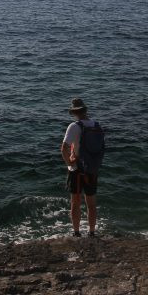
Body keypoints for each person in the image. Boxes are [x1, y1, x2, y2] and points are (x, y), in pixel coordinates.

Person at [60, 97, 104, 238]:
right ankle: (92, 232)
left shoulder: (74, 126)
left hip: (77, 170)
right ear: (85, 110)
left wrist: (69, 163)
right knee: (91, 203)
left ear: (74, 112)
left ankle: (77, 232)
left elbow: (64, 148)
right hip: (92, 168)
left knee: (75, 203)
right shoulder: (96, 125)